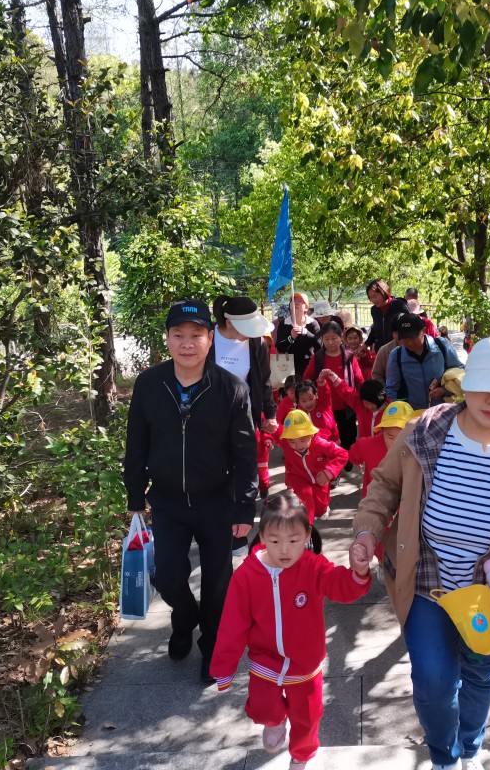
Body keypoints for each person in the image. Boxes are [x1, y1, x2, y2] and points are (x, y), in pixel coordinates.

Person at [351, 336, 490, 770]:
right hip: (426, 581)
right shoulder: (425, 430)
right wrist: (365, 533)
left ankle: (470, 745)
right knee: (432, 680)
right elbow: (386, 484)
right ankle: (444, 757)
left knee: (481, 672)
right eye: (484, 386)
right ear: (465, 385)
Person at [123, 300, 258, 683]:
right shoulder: (150, 384)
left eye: (196, 335)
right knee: (167, 576)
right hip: (167, 502)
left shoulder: (231, 388)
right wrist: (135, 496)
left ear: (210, 338)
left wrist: (244, 508)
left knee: (218, 583)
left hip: (217, 501)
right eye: (178, 335)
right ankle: (184, 618)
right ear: (167, 339)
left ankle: (212, 647)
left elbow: (245, 451)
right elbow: (137, 443)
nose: (187, 343)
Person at [211, 491, 372, 770]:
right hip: (265, 661)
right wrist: (224, 667)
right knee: (262, 708)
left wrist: (358, 573)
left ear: (307, 535)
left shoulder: (313, 566)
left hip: (305, 665)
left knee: (308, 718)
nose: (284, 550)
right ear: (262, 537)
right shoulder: (247, 575)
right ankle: (274, 721)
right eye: (275, 541)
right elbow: (232, 624)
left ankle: (301, 756)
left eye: (294, 541)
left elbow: (340, 586)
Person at [211, 296, 280, 551]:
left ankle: (239, 532)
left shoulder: (256, 343)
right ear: (229, 323)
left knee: (243, 471)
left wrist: (269, 414)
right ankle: (217, 528)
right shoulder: (207, 339)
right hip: (211, 420)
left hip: (245, 416)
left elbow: (263, 381)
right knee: (218, 472)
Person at [278, 409, 348, 522]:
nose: (298, 446)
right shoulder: (285, 444)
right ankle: (307, 527)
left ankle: (321, 510)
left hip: (320, 479)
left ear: (311, 434)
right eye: (292, 442)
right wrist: (289, 484)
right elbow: (273, 429)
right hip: (298, 478)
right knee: (306, 503)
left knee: (320, 511)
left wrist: (329, 472)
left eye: (302, 440)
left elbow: (342, 454)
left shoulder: (320, 444)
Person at [304, 321, 364, 452]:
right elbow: (307, 378)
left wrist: (361, 399)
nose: (330, 342)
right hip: (324, 408)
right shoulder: (317, 357)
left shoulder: (349, 356)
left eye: (334, 338)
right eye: (326, 339)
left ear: (341, 338)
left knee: (348, 438)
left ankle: (349, 460)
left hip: (346, 406)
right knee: (327, 440)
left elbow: (359, 379)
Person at [386, 312, 464, 410]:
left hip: (443, 411)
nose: (409, 343)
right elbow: (392, 389)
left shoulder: (441, 346)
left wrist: (445, 390)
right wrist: (397, 410)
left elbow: (459, 371)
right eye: (405, 339)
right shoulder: (396, 355)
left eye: (413, 337)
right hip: (413, 413)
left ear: (423, 331)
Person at [348, 399, 416, 498]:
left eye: (403, 437)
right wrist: (358, 461)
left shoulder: (418, 450)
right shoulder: (367, 445)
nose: (396, 443)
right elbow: (352, 455)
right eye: (391, 437)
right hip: (373, 502)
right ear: (382, 431)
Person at [276, 292, 321, 378]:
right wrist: (291, 338)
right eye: (293, 301)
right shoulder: (284, 324)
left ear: (306, 307)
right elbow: (279, 347)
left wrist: (306, 332)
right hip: (288, 368)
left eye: (300, 302)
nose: (295, 303)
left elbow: (319, 344)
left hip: (308, 366)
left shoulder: (313, 323)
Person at [365, 279, 410, 351]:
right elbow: (375, 330)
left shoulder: (399, 305)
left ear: (383, 292)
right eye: (370, 298)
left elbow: (409, 327)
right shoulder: (374, 310)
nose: (373, 300)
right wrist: (365, 345)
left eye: (375, 296)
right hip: (381, 351)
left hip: (399, 350)